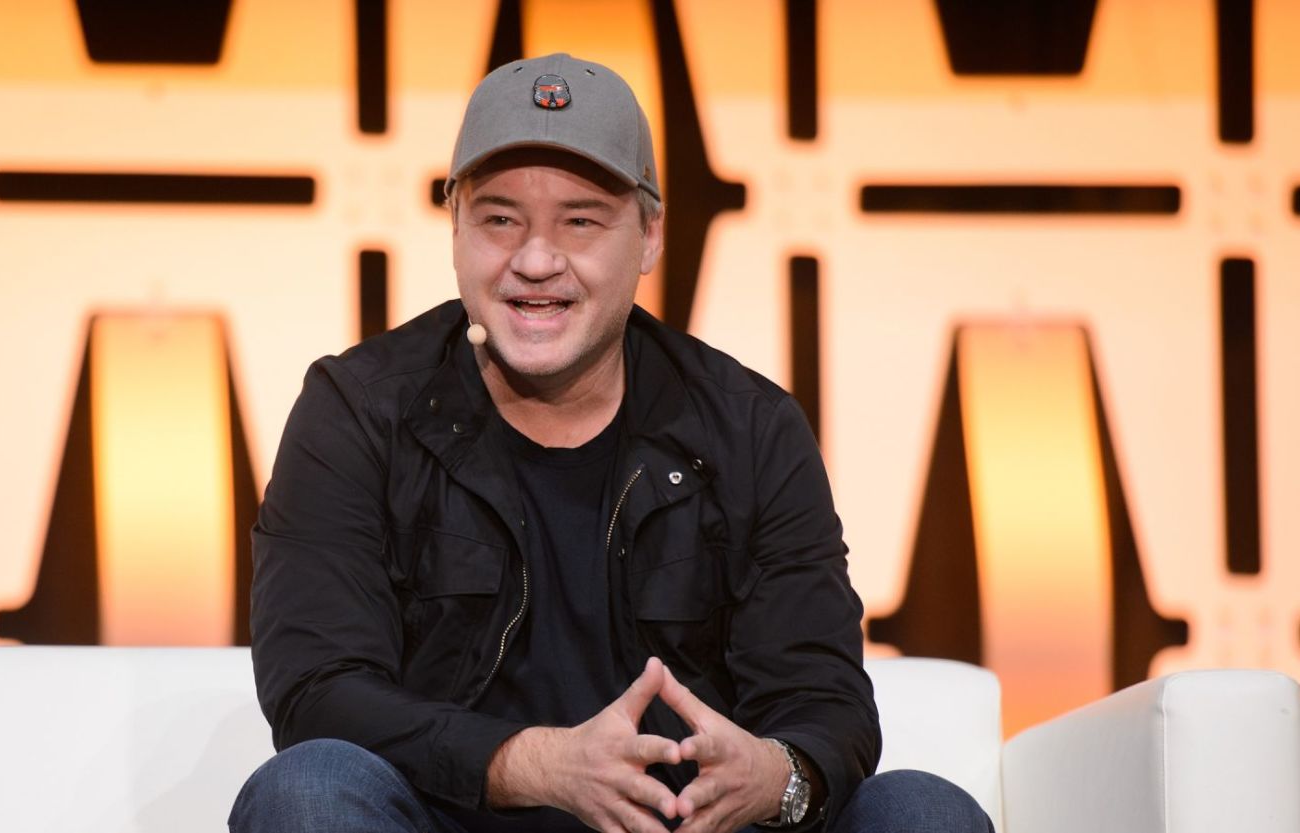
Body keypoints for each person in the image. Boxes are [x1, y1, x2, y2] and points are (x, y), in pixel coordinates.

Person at [230, 53, 991, 833]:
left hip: (690, 825)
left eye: (581, 221)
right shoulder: (358, 411)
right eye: (500, 219)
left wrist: (776, 775)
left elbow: (823, 701)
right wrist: (536, 763)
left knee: (924, 810)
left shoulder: (751, 428)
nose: (535, 261)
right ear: (454, 226)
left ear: (650, 235)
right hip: (457, 821)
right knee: (310, 790)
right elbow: (318, 691)